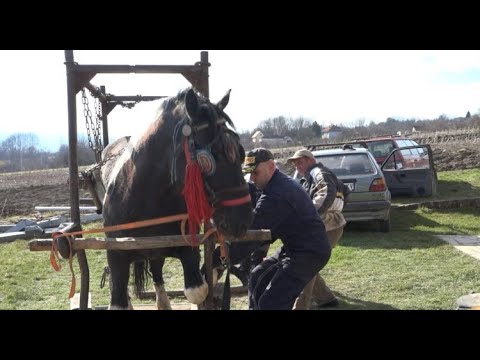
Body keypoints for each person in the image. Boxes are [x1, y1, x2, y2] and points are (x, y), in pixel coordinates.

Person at [242, 147, 331, 310]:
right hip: (293, 248)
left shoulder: (276, 193)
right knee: (257, 276)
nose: (252, 178)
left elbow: (254, 228)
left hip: (309, 252)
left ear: (270, 166)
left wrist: (221, 257)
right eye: (250, 173)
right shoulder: (273, 185)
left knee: (272, 303)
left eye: (256, 173)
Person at [287, 148, 350, 309]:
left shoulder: (317, 172)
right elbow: (345, 190)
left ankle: (300, 306)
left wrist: (310, 216)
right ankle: (326, 299)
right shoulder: (311, 176)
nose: (298, 167)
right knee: (309, 263)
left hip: (327, 226)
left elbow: (327, 193)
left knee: (306, 264)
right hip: (327, 225)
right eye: (295, 165)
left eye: (300, 162)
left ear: (310, 160)